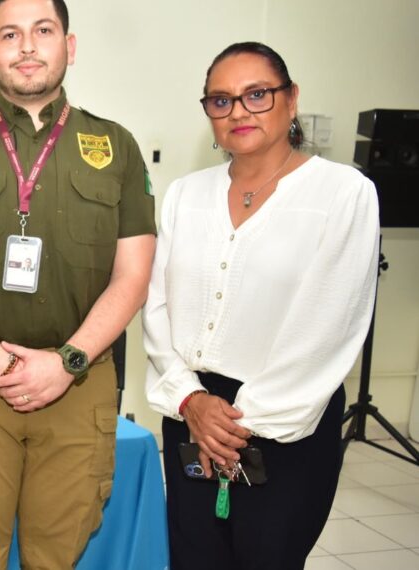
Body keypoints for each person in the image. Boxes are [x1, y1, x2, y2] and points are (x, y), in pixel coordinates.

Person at [0, 0, 156, 567]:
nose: (26, 46)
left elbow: (133, 276)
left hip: (80, 376)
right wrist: (2, 364)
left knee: (57, 555)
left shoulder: (116, 147)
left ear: (69, 46)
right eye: (9, 34)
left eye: (43, 31)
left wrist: (65, 362)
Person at [143, 41, 379, 569]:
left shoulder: (343, 193)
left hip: (287, 421)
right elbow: (157, 307)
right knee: (194, 556)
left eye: (257, 94)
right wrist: (190, 402)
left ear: (291, 100)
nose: (239, 111)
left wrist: (233, 425)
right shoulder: (186, 194)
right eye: (221, 100)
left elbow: (328, 325)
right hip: (193, 410)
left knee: (265, 558)